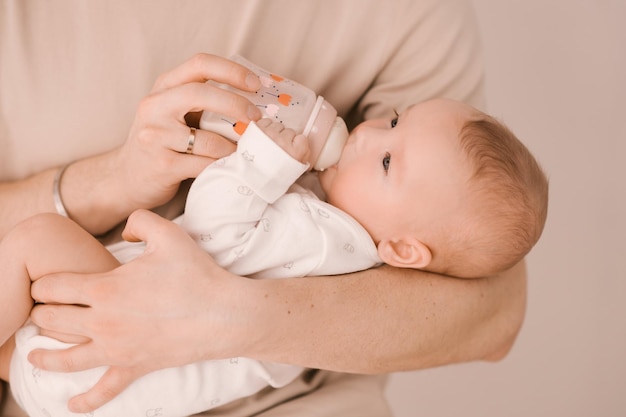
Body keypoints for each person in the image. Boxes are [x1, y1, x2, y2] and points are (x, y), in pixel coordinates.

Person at [0, 1, 531, 416]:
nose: (365, 134)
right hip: (100, 388)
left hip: (98, 365)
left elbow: (215, 225)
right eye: (390, 120)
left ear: (404, 248)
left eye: (388, 161)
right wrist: (120, 176)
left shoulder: (320, 234)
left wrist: (263, 162)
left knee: (34, 241)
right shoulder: (347, 247)